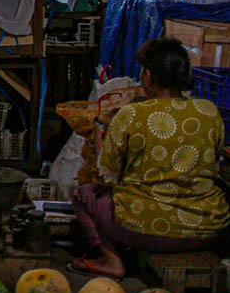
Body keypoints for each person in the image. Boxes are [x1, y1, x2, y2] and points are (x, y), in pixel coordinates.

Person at [70, 39, 229, 278]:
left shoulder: (131, 114)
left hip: (146, 228)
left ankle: (111, 260)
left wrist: (100, 145)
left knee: (84, 193)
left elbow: (107, 173)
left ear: (148, 74)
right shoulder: (209, 111)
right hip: (209, 228)